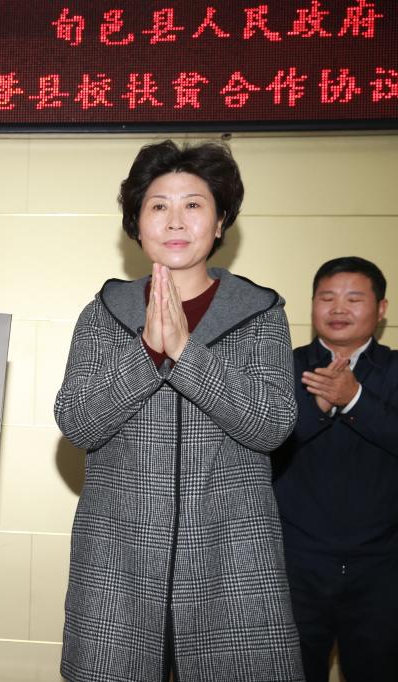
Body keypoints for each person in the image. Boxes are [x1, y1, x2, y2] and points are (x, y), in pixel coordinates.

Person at [54, 140, 304, 681]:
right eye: (158, 205)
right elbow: (77, 421)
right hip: (119, 558)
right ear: (137, 224)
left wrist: (186, 352)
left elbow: (272, 425)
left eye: (193, 204)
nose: (175, 221)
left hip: (231, 556)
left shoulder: (260, 312)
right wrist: (148, 352)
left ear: (220, 222)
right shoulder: (104, 313)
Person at [273, 257, 397, 682]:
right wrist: (318, 409)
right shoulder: (282, 368)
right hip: (294, 564)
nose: (338, 308)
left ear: (381, 309)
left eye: (354, 298)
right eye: (326, 297)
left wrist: (356, 399)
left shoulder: (395, 371)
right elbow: (261, 451)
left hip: (383, 567)